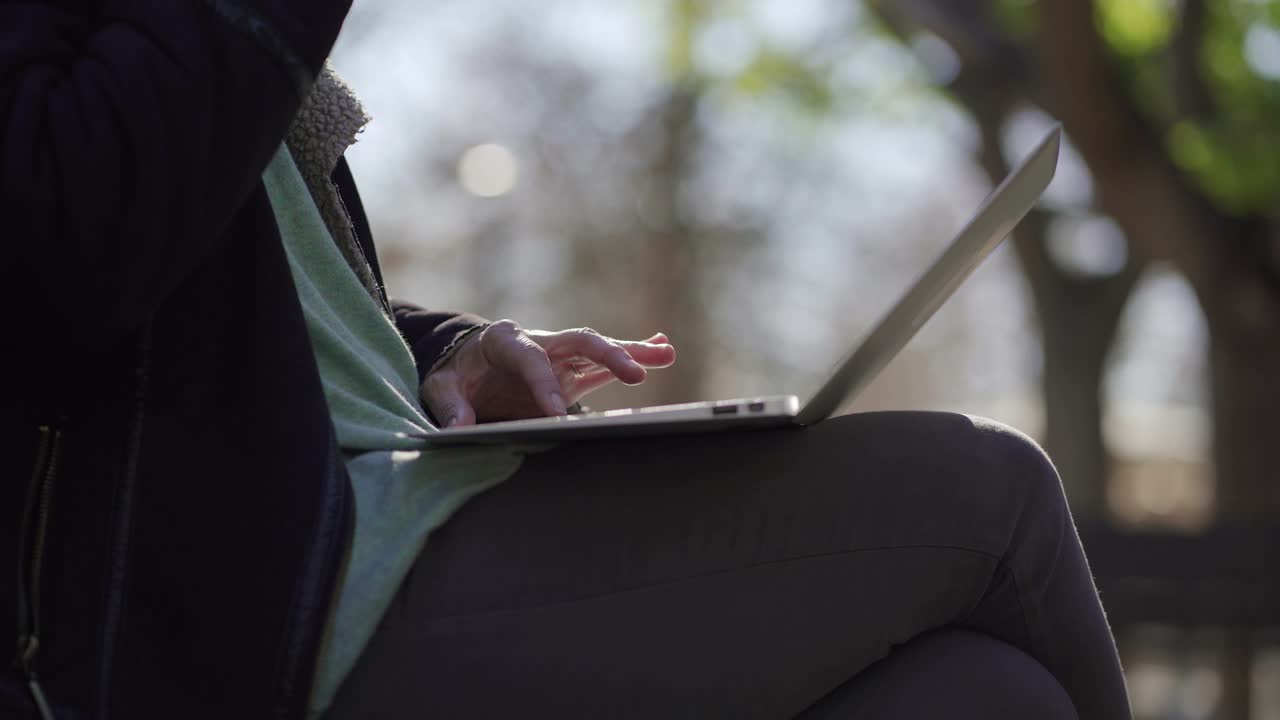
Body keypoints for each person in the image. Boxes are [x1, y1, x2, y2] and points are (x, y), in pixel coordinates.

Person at [2, 2, 1131, 718]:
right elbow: (65, 235)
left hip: (382, 504)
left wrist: (436, 352)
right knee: (991, 495)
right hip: (242, 605)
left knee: (986, 695)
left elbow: (250, 298)